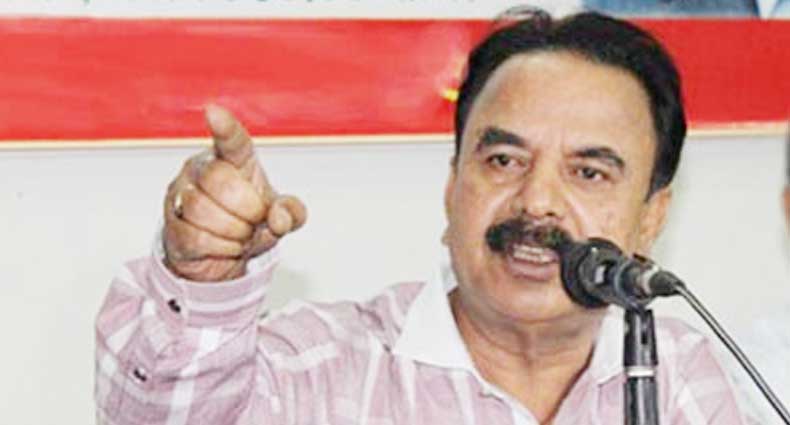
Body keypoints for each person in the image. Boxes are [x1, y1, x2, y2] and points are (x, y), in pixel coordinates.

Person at [95, 10, 747, 424]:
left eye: (588, 172)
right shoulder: (322, 368)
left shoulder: (678, 377)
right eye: (504, 160)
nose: (536, 202)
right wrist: (204, 279)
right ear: (452, 185)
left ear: (650, 217)